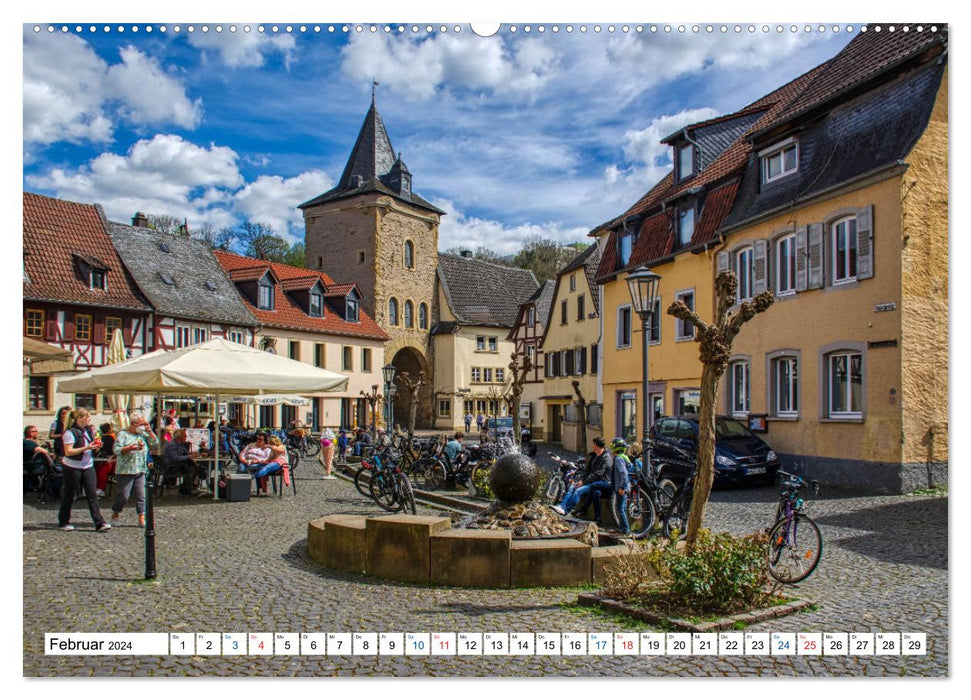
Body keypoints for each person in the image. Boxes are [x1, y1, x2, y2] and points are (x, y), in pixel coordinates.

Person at [58, 408, 110, 532]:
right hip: (72, 466)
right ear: (79, 418)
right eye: (87, 417)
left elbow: (90, 446)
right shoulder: (69, 432)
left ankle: (99, 522)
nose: (89, 419)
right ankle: (63, 521)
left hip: (87, 465)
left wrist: (96, 446)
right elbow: (68, 451)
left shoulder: (87, 431)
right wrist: (86, 447)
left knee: (92, 494)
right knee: (70, 494)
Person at [111, 414, 159, 527]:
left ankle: (142, 518)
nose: (143, 426)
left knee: (141, 495)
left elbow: (155, 443)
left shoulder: (142, 435)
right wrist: (128, 448)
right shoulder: (123, 434)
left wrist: (149, 430)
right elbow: (116, 449)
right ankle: (115, 514)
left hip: (140, 469)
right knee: (124, 495)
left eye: (144, 424)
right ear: (134, 424)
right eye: (141, 424)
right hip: (125, 470)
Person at [552, 436, 611, 524]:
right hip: (590, 481)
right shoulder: (594, 456)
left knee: (578, 491)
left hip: (598, 482)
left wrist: (584, 481)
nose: (592, 446)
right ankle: (562, 506)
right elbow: (587, 471)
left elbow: (598, 474)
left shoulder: (606, 458)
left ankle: (567, 510)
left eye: (593, 444)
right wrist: (581, 479)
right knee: (573, 486)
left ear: (596, 445)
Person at [163, 429, 201, 496]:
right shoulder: (172, 445)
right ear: (179, 437)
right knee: (193, 468)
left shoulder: (180, 444)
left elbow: (187, 453)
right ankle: (186, 488)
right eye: (184, 436)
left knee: (196, 466)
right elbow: (175, 458)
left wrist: (197, 453)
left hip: (178, 464)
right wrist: (189, 457)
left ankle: (187, 486)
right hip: (171, 467)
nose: (186, 436)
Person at [610, 438, 632, 536]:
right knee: (622, 508)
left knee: (621, 509)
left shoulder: (619, 459)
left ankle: (626, 530)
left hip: (621, 488)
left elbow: (623, 473)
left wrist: (622, 487)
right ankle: (621, 529)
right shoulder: (625, 457)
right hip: (625, 487)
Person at [23, 425, 52, 493]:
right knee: (52, 468)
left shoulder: (27, 442)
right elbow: (44, 451)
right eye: (34, 431)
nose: (37, 432)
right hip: (34, 466)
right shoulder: (29, 443)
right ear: (30, 433)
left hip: (29, 465)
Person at [94, 422, 116, 497]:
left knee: (102, 471)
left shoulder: (101, 438)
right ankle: (98, 488)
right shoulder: (110, 438)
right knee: (97, 470)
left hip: (110, 460)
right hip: (102, 459)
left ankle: (101, 488)